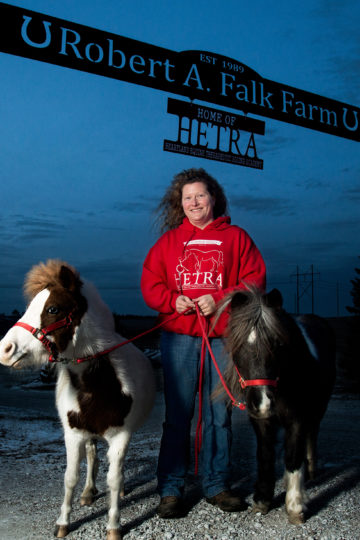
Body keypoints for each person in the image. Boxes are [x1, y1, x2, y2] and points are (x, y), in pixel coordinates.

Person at [141, 167, 266, 518]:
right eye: (187, 197)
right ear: (180, 205)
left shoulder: (237, 238)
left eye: (200, 195)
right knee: (178, 414)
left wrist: (223, 297)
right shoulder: (168, 243)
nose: (194, 202)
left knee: (218, 415)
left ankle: (216, 484)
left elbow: (255, 280)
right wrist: (171, 300)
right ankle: (170, 488)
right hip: (179, 336)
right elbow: (150, 283)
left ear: (213, 199)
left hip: (222, 338)